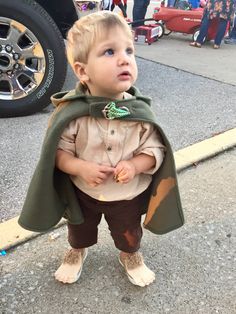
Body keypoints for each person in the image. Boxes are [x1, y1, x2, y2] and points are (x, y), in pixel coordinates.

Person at [18, 11, 184, 288]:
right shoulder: (73, 114)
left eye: (129, 50)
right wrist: (80, 167)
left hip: (127, 194)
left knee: (129, 231)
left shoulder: (139, 111)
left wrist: (135, 166)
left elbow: (155, 149)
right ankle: (77, 250)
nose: (124, 59)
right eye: (110, 51)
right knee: (79, 227)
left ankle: (129, 254)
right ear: (82, 71)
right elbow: (58, 154)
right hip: (84, 191)